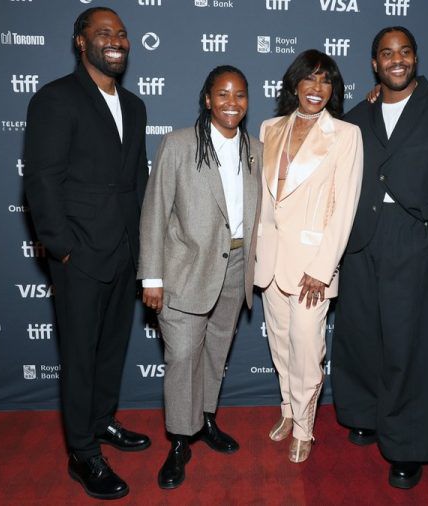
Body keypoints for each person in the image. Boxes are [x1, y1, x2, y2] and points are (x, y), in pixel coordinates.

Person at [330, 27, 428, 489]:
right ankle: (365, 414)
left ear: (416, 58)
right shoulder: (357, 116)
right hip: (360, 238)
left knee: (409, 346)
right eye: (387, 54)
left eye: (405, 52)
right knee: (360, 335)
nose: (397, 60)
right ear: (374, 64)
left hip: (412, 237)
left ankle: (408, 444)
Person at [23, 6, 150, 501]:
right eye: (103, 33)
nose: (115, 40)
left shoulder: (134, 106)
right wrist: (62, 248)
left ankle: (101, 422)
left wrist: (144, 249)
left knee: (111, 349)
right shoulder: (56, 99)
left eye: (121, 33)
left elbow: (136, 182)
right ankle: (81, 452)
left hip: (123, 251)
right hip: (80, 254)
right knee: (78, 357)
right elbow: (41, 179)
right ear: (81, 42)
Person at [137, 66, 263, 489]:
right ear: (207, 99)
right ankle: (179, 439)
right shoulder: (178, 144)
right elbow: (154, 212)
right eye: (223, 94)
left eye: (240, 95)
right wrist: (151, 277)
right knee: (182, 358)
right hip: (185, 272)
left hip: (237, 268)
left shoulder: (256, 149)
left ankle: (206, 419)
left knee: (214, 353)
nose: (232, 102)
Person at [255, 50, 363, 463]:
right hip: (270, 259)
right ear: (294, 84)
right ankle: (287, 410)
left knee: (305, 346)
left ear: (332, 90)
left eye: (326, 81)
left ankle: (305, 425)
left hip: (311, 267)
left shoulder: (346, 135)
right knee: (281, 345)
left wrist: (323, 268)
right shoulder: (269, 128)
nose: (317, 89)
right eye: (310, 79)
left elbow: (345, 206)